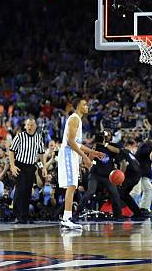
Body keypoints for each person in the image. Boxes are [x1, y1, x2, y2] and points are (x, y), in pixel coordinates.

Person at [58, 99, 105, 230]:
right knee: (71, 185)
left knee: (72, 185)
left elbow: (77, 143)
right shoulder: (74, 119)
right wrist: (85, 157)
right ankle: (66, 218)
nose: (87, 106)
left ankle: (67, 218)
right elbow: (70, 142)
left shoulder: (78, 120)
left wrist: (92, 152)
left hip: (72, 153)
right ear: (77, 106)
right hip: (68, 153)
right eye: (84, 104)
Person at [79, 130, 124, 220]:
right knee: (90, 191)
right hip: (95, 175)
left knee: (115, 194)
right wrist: (94, 149)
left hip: (108, 176)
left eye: (107, 136)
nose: (105, 137)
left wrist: (105, 145)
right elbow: (90, 160)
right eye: (104, 136)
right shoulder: (95, 147)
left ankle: (118, 216)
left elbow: (118, 151)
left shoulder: (112, 146)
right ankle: (77, 212)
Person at [9, 118, 47, 224]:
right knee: (20, 189)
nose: (30, 127)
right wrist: (12, 166)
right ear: (25, 126)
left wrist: (44, 167)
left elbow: (42, 153)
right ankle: (17, 215)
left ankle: (24, 215)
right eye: (28, 125)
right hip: (20, 165)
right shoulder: (20, 136)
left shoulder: (38, 138)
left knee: (27, 191)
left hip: (31, 166)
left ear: (35, 126)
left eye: (32, 125)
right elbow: (11, 151)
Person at [116, 139, 146, 219]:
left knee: (120, 193)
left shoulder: (122, 151)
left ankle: (119, 214)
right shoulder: (130, 153)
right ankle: (137, 213)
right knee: (124, 194)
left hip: (131, 175)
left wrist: (120, 179)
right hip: (137, 175)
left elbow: (123, 164)